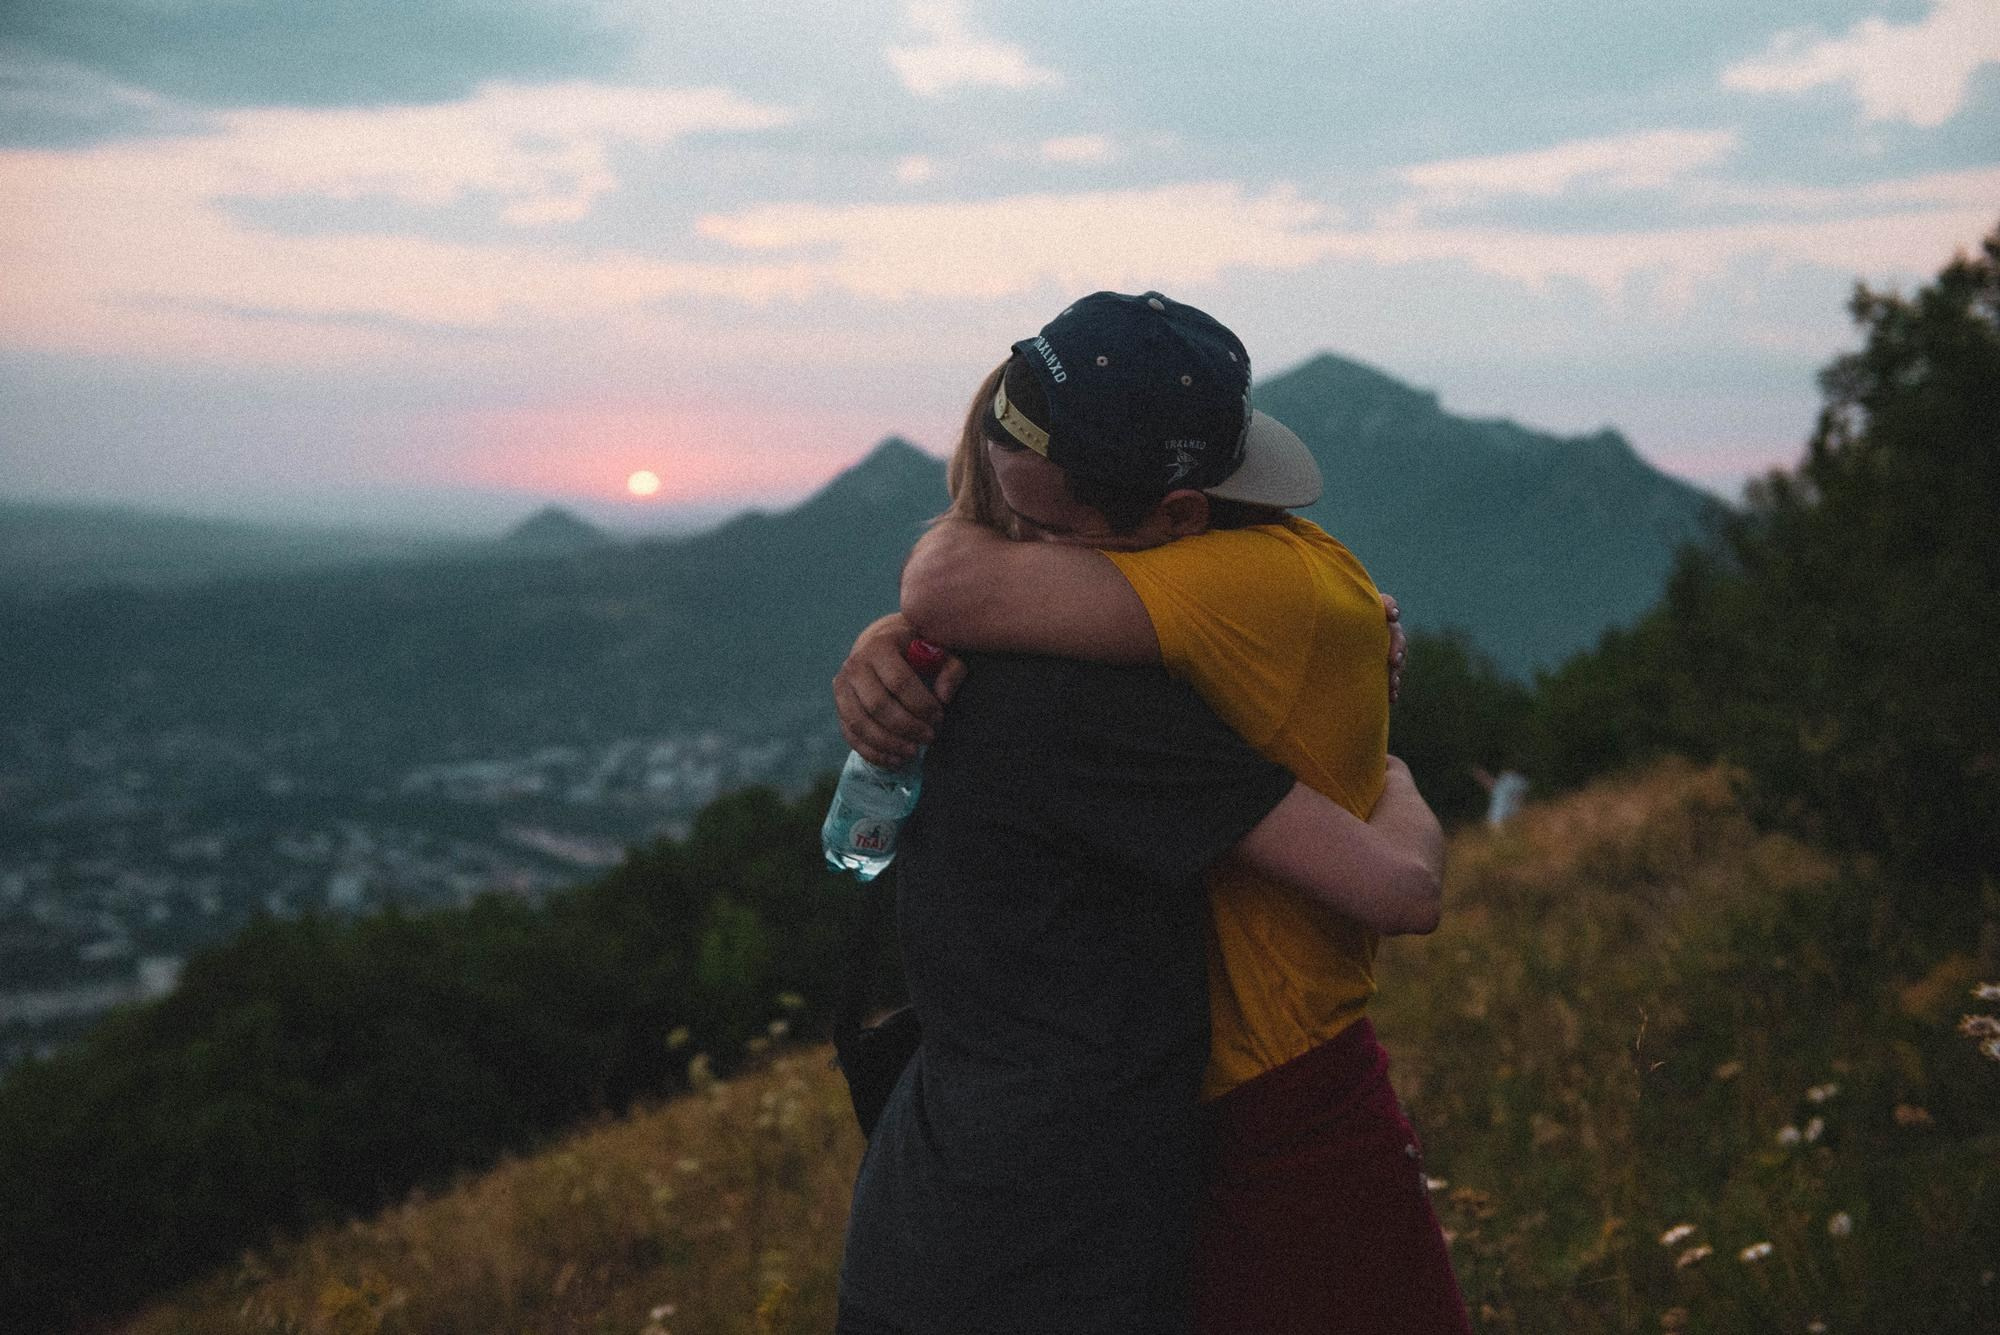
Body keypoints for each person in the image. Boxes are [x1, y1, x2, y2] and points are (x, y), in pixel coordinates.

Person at [838, 291, 1470, 1334]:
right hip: (1174, 1131)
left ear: (1175, 519)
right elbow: (952, 593)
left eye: (1042, 533)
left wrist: (1389, 778)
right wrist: (889, 644)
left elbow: (948, 578)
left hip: (1284, 1098)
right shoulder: (1168, 612)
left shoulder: (1244, 592)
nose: (1018, 558)